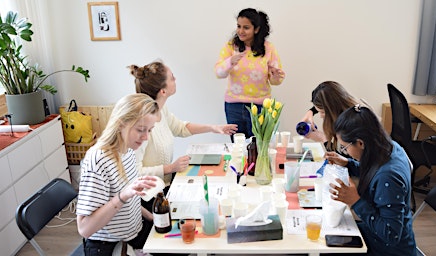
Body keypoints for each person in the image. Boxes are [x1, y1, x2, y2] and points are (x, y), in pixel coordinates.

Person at [128, 60, 237, 201]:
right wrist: (170, 168)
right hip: (149, 197)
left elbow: (180, 128)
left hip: (165, 186)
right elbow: (135, 173)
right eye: (172, 77)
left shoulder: (161, 110)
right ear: (163, 91)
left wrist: (213, 128)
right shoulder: (141, 125)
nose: (175, 80)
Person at [76, 93, 161, 256]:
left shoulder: (127, 150)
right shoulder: (98, 160)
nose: (146, 137)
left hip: (134, 232)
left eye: (150, 130)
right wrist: (123, 195)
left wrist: (152, 217)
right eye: (141, 130)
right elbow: (84, 228)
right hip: (107, 245)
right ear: (121, 123)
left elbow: (131, 200)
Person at [326, 105, 416, 256]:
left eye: (344, 147)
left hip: (387, 249)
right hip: (375, 234)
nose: (345, 152)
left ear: (360, 143)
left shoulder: (389, 177)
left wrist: (355, 201)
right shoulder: (389, 147)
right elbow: (374, 170)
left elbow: (391, 235)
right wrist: (349, 164)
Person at [215, 8, 285, 140]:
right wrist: (230, 62)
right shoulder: (231, 46)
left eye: (246, 27)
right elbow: (219, 73)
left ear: (256, 29)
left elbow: (276, 81)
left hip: (260, 106)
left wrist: (276, 75)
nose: (240, 31)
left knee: (259, 148)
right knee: (238, 148)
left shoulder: (268, 48)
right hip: (233, 106)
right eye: (238, 26)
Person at [300, 81, 359, 151]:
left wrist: (323, 139)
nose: (321, 116)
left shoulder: (351, 125)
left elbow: (342, 160)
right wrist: (310, 112)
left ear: (332, 109)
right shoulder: (354, 109)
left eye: (322, 112)